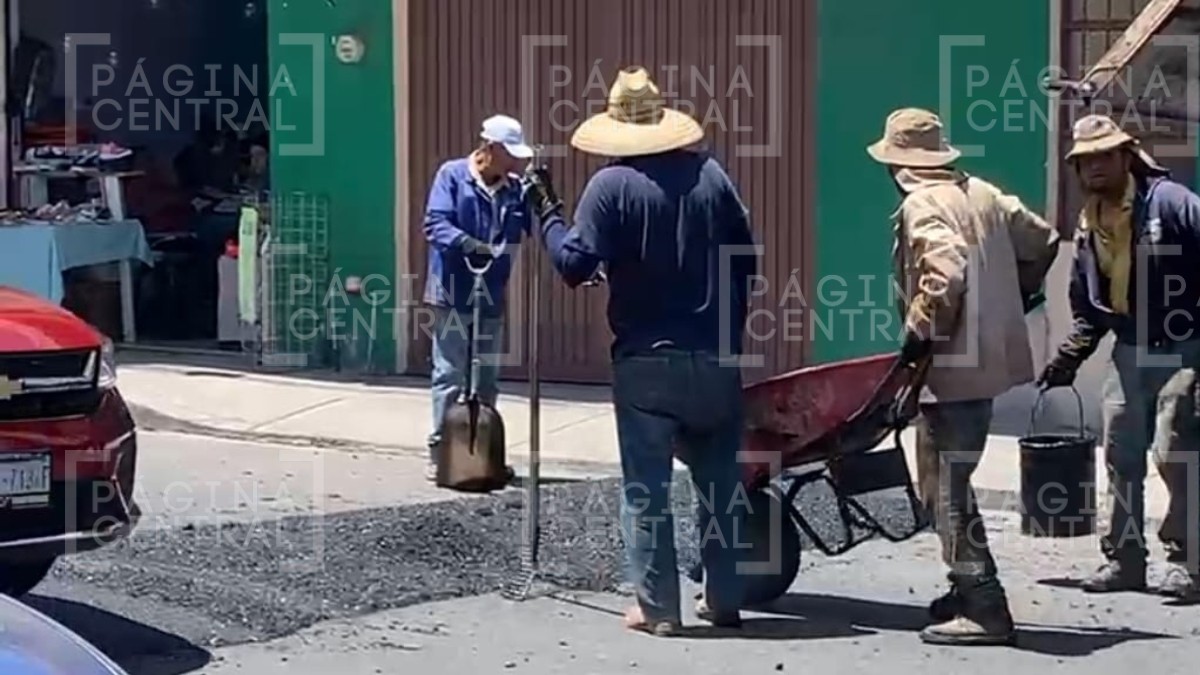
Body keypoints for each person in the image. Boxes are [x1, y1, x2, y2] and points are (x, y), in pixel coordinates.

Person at [525, 67, 757, 636]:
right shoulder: (713, 176)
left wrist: (548, 216)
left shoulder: (612, 187)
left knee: (646, 491)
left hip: (648, 363)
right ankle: (725, 600)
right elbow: (745, 263)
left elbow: (576, 266)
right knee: (720, 486)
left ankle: (658, 609)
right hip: (716, 359)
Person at [866, 108, 1060, 645]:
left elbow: (945, 271)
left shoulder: (922, 203)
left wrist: (920, 332)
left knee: (944, 490)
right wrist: (1013, 294)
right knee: (955, 480)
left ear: (899, 167)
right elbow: (1043, 240)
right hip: (989, 362)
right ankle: (964, 584)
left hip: (950, 367)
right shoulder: (984, 194)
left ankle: (985, 605)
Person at [1039, 114, 1200, 600]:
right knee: (1120, 456)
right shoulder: (1090, 222)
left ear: (1127, 156)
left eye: (1105, 156)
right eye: (1085, 161)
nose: (1095, 168)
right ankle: (1124, 560)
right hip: (1130, 349)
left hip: (1185, 347)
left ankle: (1189, 563)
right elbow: (1089, 305)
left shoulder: (1171, 203)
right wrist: (1069, 356)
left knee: (1176, 452)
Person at [421, 114, 535, 483]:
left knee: (486, 376)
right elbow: (435, 223)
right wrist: (467, 243)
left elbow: (536, 226)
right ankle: (443, 452)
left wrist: (542, 200)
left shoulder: (515, 189)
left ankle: (483, 454)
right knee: (451, 373)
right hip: (452, 294)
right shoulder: (452, 176)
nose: (515, 162)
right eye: (510, 154)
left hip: (489, 296)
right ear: (489, 148)